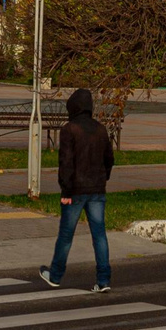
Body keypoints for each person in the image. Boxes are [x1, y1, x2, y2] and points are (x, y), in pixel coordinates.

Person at [40, 87, 114, 292]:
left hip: (75, 191)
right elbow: (109, 159)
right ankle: (104, 280)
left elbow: (66, 163)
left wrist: (65, 191)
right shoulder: (101, 129)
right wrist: (103, 178)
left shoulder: (69, 129)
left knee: (66, 235)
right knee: (99, 235)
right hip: (97, 190)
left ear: (73, 107)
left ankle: (55, 275)